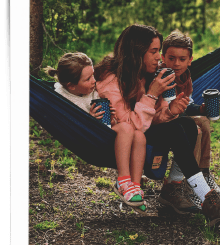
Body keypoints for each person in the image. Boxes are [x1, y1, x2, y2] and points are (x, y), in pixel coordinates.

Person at [95, 24, 220, 225]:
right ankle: (209, 200)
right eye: (154, 51)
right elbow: (131, 126)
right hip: (123, 138)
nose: (159, 58)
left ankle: (173, 191)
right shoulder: (111, 80)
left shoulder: (143, 74)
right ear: (136, 53)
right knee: (177, 128)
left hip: (142, 130)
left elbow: (152, 118)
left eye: (158, 51)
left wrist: (170, 111)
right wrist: (152, 94)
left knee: (187, 125)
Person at [46, 52, 147, 213]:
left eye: (93, 75)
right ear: (71, 85)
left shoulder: (92, 90)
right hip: (90, 138)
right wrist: (89, 119)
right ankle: (123, 181)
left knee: (140, 136)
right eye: (88, 79)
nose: (94, 81)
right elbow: (73, 126)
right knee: (127, 128)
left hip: (104, 133)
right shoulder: (61, 98)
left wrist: (111, 116)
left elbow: (108, 123)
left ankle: (134, 187)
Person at [159, 30, 220, 211]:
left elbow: (186, 106)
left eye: (182, 59)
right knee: (196, 129)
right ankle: (179, 184)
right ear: (163, 57)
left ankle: (203, 172)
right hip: (162, 121)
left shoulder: (186, 78)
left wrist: (201, 109)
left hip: (177, 116)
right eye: (171, 58)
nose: (176, 63)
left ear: (190, 60)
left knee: (204, 122)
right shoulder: (162, 76)